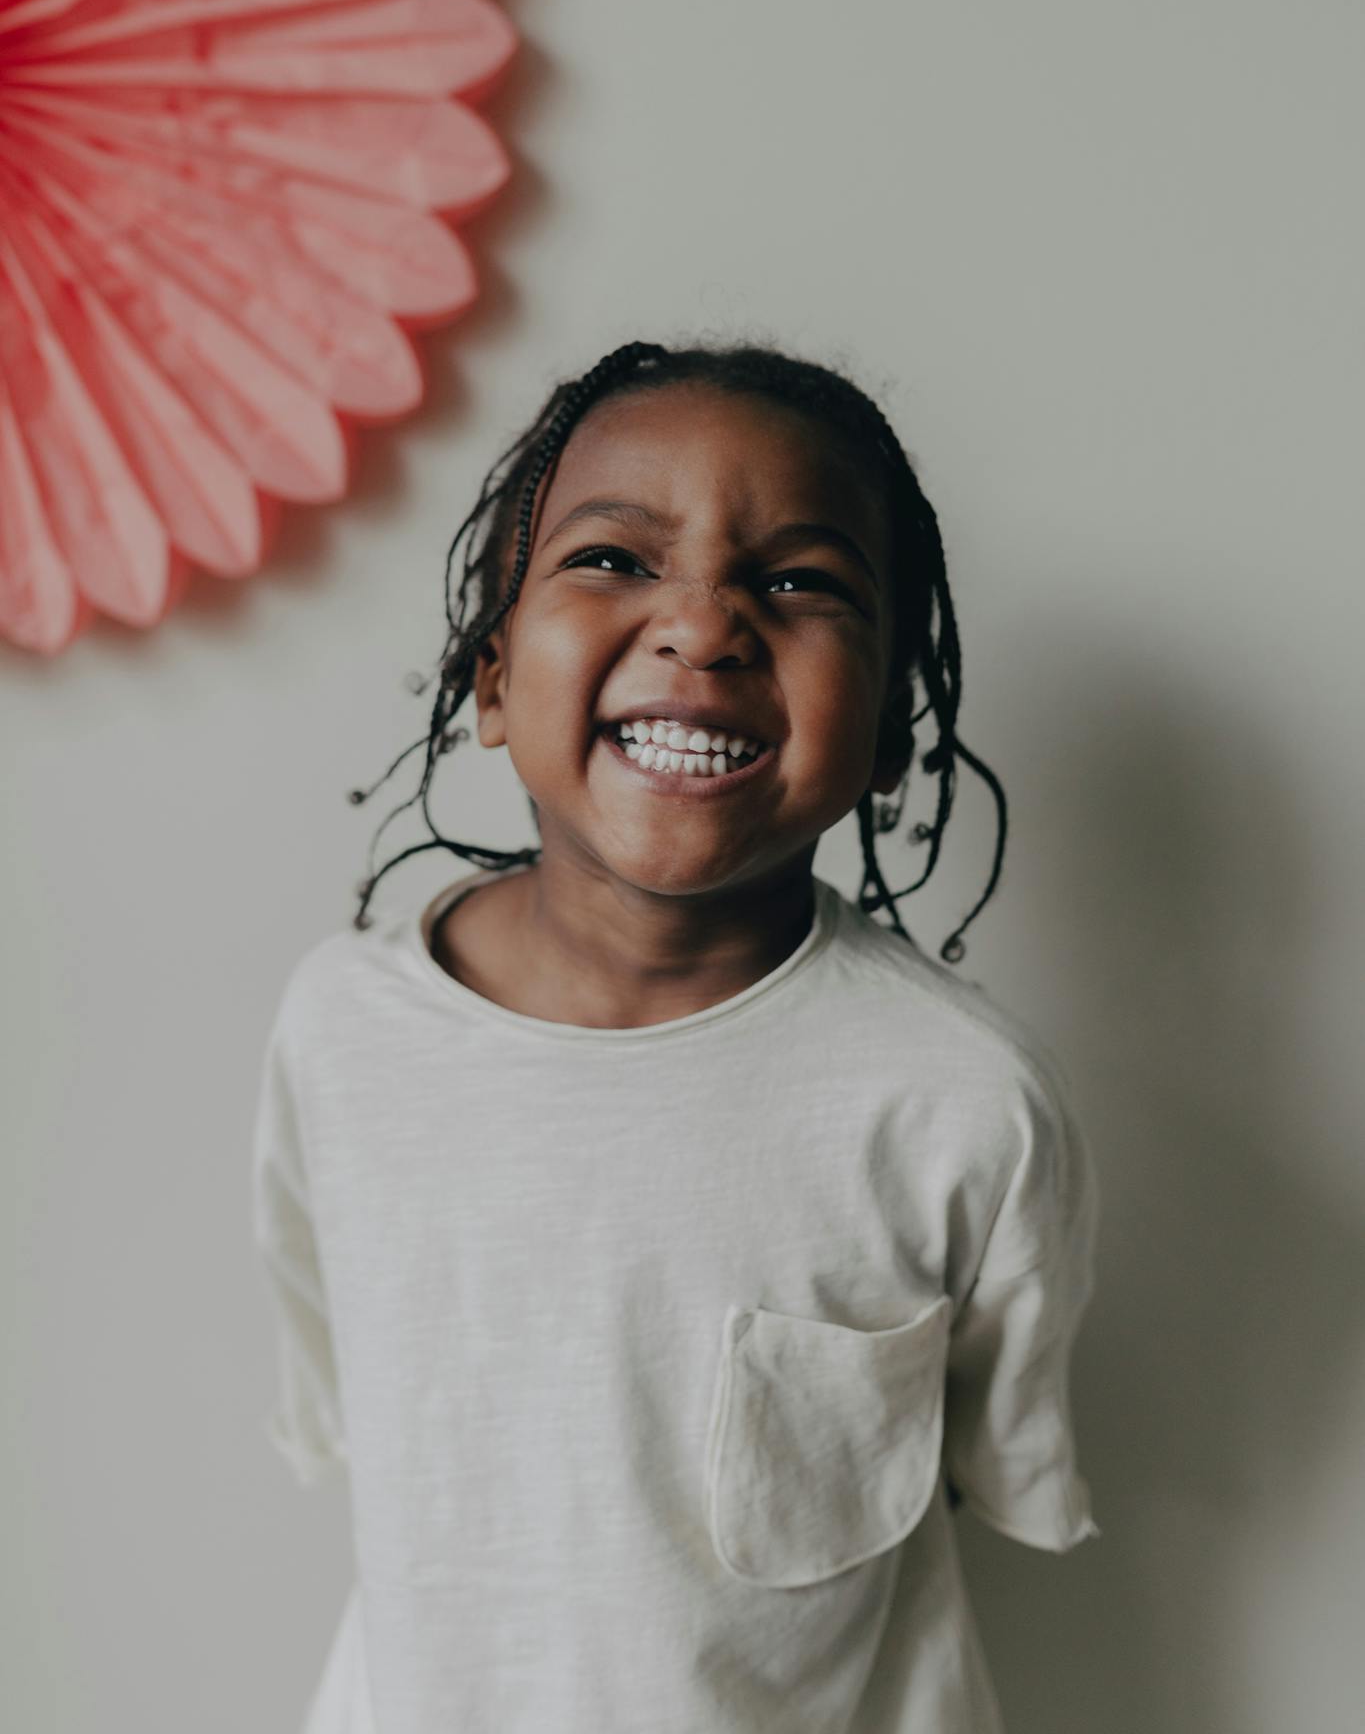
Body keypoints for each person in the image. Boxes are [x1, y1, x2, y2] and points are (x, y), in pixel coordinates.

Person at [251, 338, 1101, 1734]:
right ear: (486, 678)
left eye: (797, 583)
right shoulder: (341, 1033)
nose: (703, 626)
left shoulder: (961, 1101)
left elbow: (990, 1452)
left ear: (891, 730)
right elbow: (352, 1385)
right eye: (611, 560)